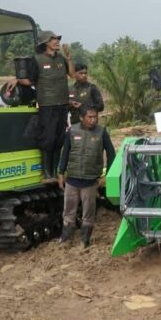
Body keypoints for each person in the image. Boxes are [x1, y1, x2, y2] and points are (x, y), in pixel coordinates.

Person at [11, 30, 74, 183]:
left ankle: (55, 173)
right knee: (48, 138)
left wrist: (69, 58)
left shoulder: (61, 58)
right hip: (47, 105)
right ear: (46, 43)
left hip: (62, 104)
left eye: (57, 39)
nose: (57, 42)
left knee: (59, 139)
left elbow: (72, 74)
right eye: (53, 39)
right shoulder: (37, 59)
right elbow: (29, 80)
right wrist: (17, 79)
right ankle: (46, 174)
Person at [57, 105, 115, 248]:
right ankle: (66, 239)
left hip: (90, 181)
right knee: (69, 211)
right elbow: (65, 153)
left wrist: (106, 176)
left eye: (95, 117)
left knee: (88, 214)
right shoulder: (72, 131)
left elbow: (111, 154)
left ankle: (84, 241)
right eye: (90, 117)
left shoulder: (102, 132)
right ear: (81, 117)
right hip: (72, 180)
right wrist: (61, 173)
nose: (93, 120)